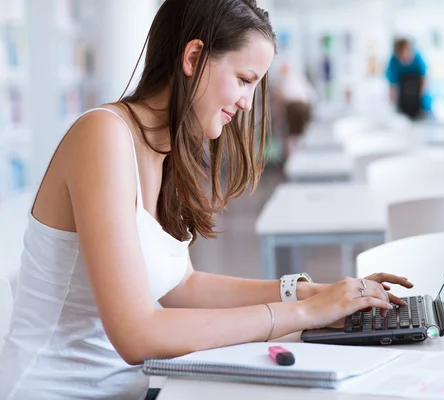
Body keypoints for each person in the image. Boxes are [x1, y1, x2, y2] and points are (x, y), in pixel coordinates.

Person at [0, 1, 413, 399]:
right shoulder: (102, 136)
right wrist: (304, 315)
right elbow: (136, 335)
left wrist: (310, 293)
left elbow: (183, 286)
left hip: (132, 389)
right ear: (194, 57)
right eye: (244, 80)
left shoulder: (165, 150)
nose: (249, 103)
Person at [274, 62, 316, 158]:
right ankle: (301, 154)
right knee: (301, 132)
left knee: (293, 133)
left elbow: (280, 98)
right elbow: (310, 93)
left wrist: (279, 114)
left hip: (293, 106)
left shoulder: (283, 81)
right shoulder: (298, 77)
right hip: (304, 104)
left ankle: (293, 156)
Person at [385, 38, 432, 119]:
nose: (404, 57)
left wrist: (420, 96)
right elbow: (393, 85)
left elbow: (424, 79)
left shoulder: (418, 58)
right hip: (402, 101)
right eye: (401, 55)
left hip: (420, 101)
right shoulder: (393, 61)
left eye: (406, 53)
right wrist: (393, 105)